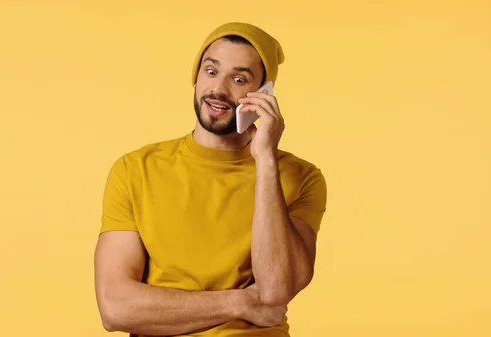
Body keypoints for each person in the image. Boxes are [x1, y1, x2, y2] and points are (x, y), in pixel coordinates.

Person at [93, 22, 327, 337]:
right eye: (211, 71)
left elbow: (274, 291)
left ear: (263, 94)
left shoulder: (301, 177)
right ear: (196, 77)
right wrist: (242, 303)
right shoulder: (135, 170)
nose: (218, 89)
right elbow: (116, 309)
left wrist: (266, 160)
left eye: (239, 78)